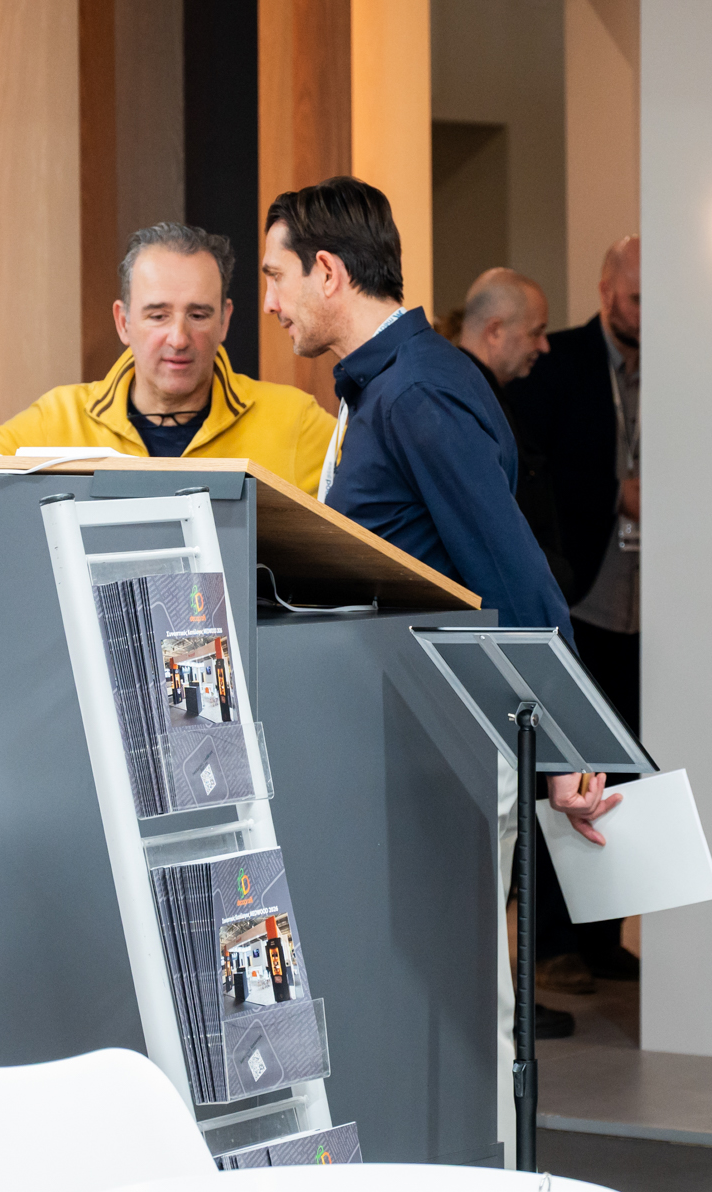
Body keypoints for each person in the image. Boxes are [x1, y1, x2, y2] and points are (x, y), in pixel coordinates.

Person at [259, 176, 618, 1049]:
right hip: (402, 747)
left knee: (459, 1012)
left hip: (443, 748)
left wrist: (564, 746)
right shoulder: (385, 386)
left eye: (275, 276)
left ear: (328, 272)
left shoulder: (417, 391)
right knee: (422, 1007)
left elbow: (514, 573)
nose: (269, 303)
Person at [505, 236, 643, 993]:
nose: (647, 313)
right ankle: (551, 941)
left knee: (624, 771)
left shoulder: (683, 363)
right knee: (563, 769)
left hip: (649, 607)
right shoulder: (558, 364)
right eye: (637, 297)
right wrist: (618, 495)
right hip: (579, 599)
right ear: (606, 289)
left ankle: (601, 936)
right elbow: (540, 478)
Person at [0, 224, 334, 495]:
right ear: (123, 322)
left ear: (224, 321)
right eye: (158, 316)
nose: (178, 339)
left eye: (198, 315)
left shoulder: (295, 423)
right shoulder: (56, 420)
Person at [455, 268, 570, 595]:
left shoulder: (483, 396)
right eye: (536, 333)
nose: (544, 346)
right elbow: (492, 529)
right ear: (495, 331)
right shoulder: (467, 406)